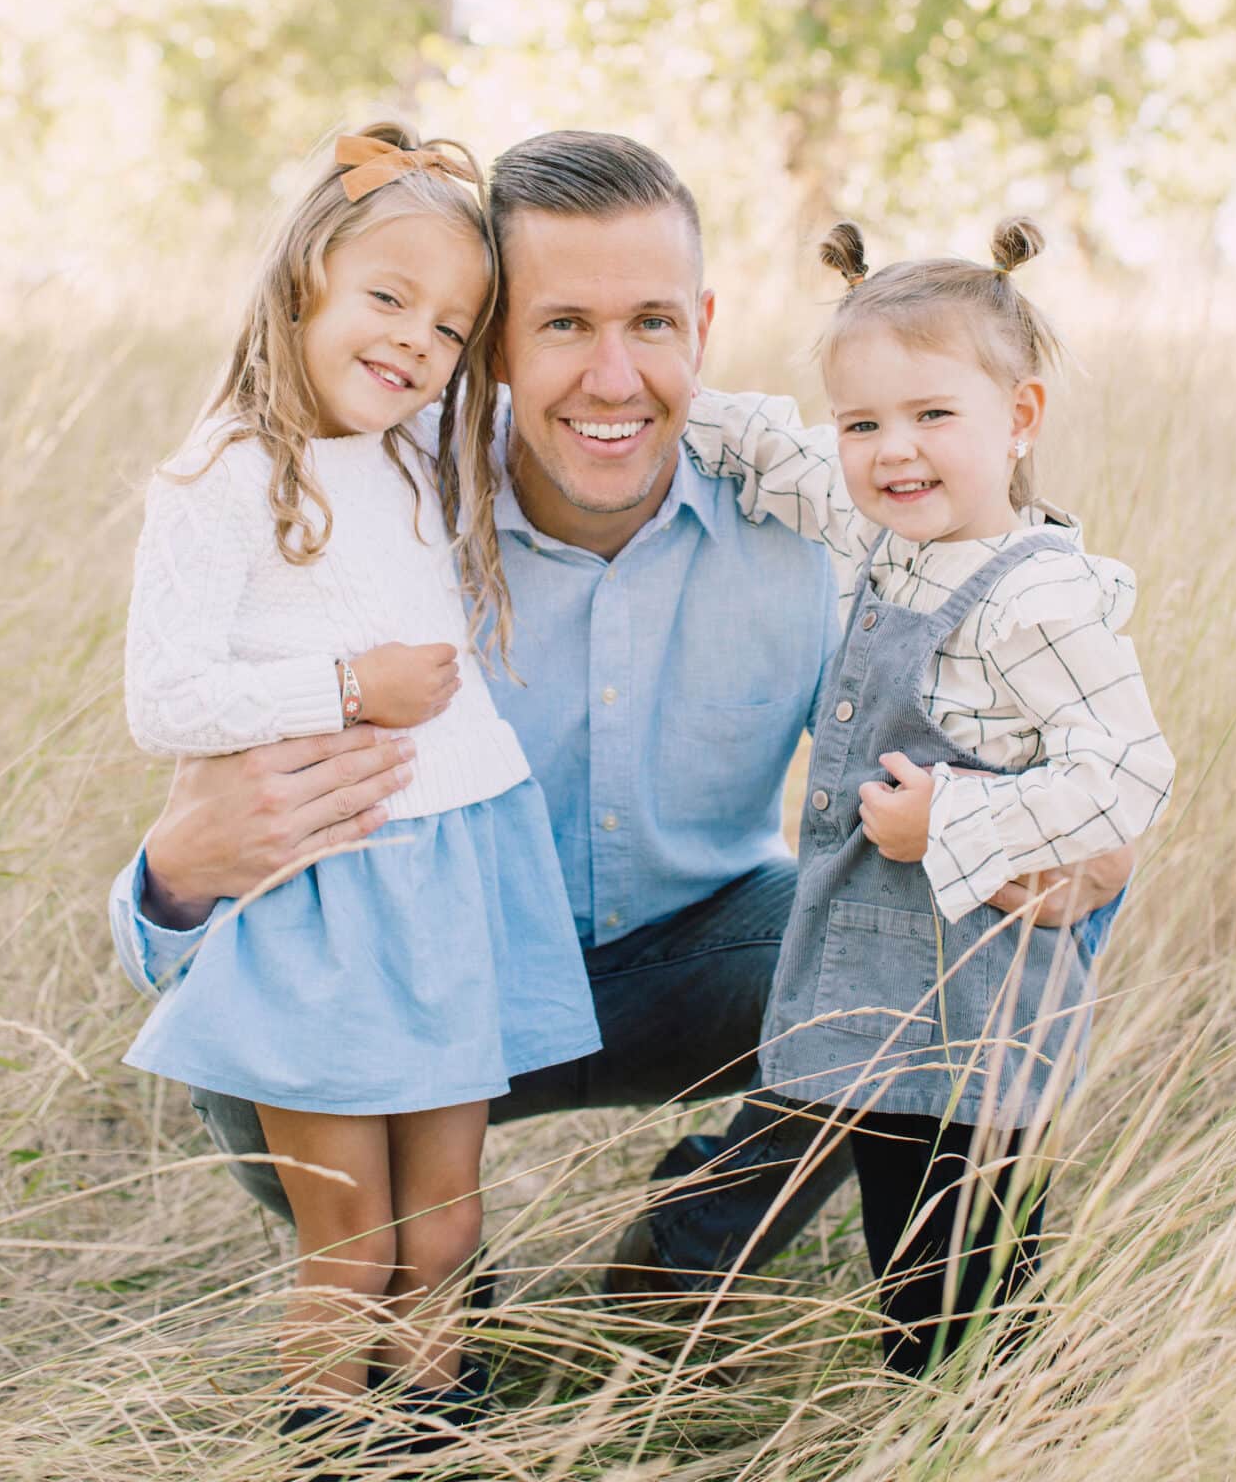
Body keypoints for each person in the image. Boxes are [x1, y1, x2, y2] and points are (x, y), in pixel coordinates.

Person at [110, 133, 1133, 1316]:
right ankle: (426, 1296)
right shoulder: (377, 513)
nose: (612, 377)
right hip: (445, 969)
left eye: (649, 322)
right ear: (491, 345)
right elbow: (192, 886)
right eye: (561, 325)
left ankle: (762, 1265)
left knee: (965, 922)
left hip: (713, 963)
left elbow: (1043, 747)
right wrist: (174, 879)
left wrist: (1076, 848)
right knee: (250, 1062)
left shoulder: (818, 523)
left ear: (700, 324)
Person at [120, 121, 600, 1465]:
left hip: (456, 872)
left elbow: (587, 387)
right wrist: (346, 688)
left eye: (449, 328)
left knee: (446, 1228)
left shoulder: (413, 448)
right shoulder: (219, 476)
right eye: (387, 298)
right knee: (354, 1239)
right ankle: (335, 1437)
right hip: (329, 889)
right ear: (303, 277)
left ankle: (433, 1429)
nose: (413, 343)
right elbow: (162, 700)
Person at [684, 215, 1174, 1372]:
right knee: (902, 1240)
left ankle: (992, 1416)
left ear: (1020, 419)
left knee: (966, 1276)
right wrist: (660, 386)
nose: (891, 449)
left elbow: (1129, 769)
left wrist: (946, 817)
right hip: (884, 976)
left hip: (985, 987)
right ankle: (716, 1254)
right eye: (864, 421)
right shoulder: (889, 530)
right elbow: (772, 447)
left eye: (930, 415)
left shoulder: (1035, 598)